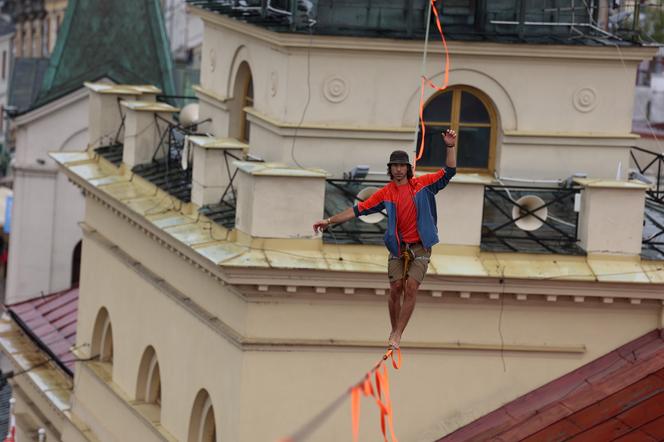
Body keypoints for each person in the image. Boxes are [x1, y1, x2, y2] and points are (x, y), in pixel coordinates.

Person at [313, 130, 457, 348]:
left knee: (410, 287)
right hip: (398, 248)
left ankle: (398, 333)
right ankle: (393, 330)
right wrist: (329, 220)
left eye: (402, 166)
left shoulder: (422, 185)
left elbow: (449, 171)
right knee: (395, 288)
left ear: (408, 168)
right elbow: (357, 210)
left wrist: (450, 146)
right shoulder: (386, 193)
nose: (398, 169)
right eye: (394, 166)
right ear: (390, 169)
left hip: (420, 247)